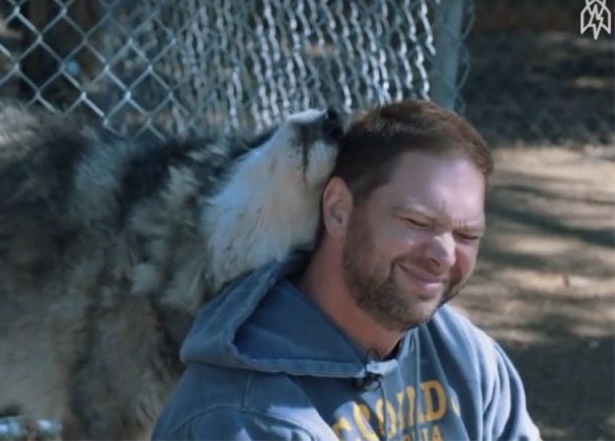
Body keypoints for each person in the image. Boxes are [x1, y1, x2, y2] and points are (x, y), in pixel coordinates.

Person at [152, 100, 540, 440]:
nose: (444, 255)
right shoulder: (244, 415)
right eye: (417, 222)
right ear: (338, 209)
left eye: (467, 235)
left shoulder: (464, 357)